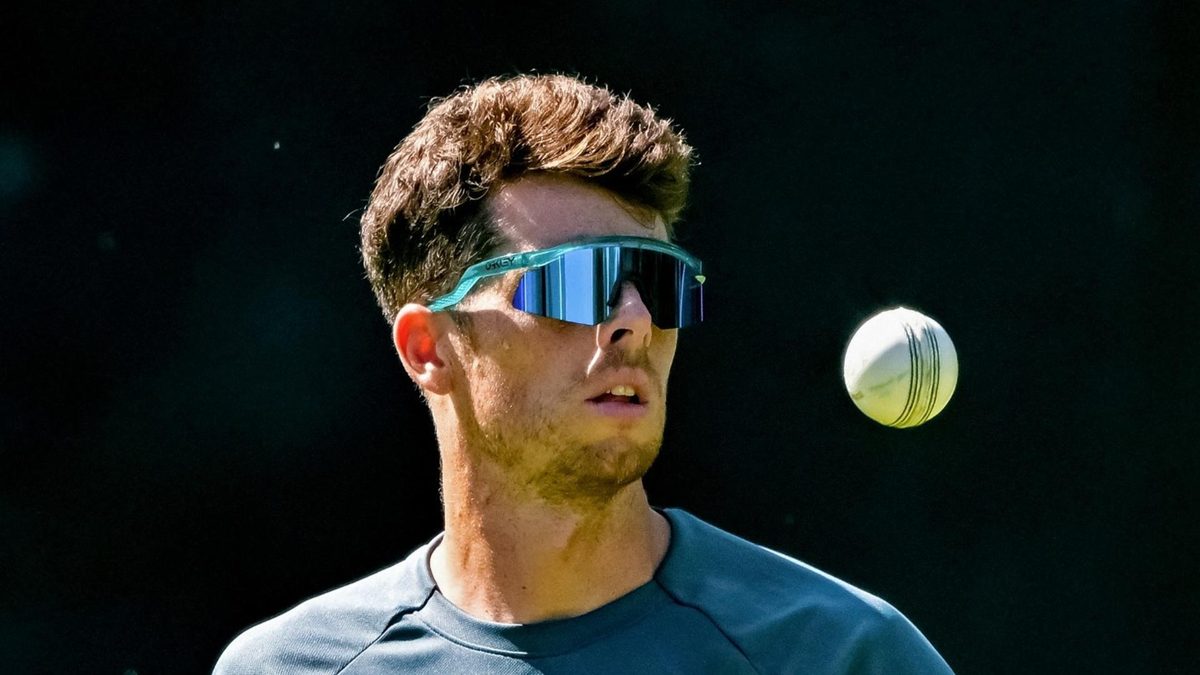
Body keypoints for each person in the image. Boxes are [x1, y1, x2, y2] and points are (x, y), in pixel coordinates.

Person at [213, 74, 953, 674]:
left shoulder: (840, 655)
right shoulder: (289, 669)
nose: (633, 318)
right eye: (575, 280)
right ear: (427, 348)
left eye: (660, 284)